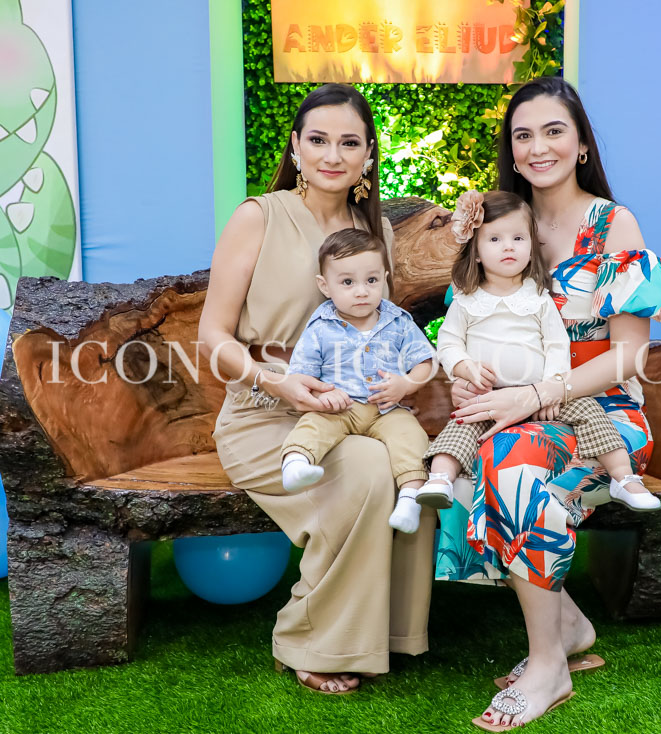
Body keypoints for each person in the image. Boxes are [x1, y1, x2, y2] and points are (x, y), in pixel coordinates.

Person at [435, 76, 661, 730]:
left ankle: (548, 665)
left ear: (581, 144)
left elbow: (630, 355)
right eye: (523, 135)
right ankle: (567, 625)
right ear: (511, 153)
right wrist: (465, 378)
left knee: (511, 467)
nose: (538, 146)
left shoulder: (613, 224)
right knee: (465, 466)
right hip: (512, 411)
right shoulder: (499, 225)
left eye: (553, 131)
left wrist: (539, 392)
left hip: (604, 420)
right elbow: (464, 328)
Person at [198, 84, 436, 695]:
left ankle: (386, 631)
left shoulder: (374, 230)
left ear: (369, 154)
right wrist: (277, 382)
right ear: (296, 146)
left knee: (407, 464)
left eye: (349, 142)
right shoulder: (259, 216)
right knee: (365, 469)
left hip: (354, 410)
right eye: (319, 140)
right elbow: (211, 338)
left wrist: (403, 381)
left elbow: (382, 326)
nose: (333, 155)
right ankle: (312, 637)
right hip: (263, 413)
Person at [419, 189, 659, 515]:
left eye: (518, 239)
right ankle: (440, 480)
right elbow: (448, 344)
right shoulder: (466, 300)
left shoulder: (538, 297)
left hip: (547, 398)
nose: (508, 246)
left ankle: (624, 479)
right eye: (495, 240)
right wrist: (464, 370)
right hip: (491, 396)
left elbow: (557, 344)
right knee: (460, 428)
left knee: (591, 415)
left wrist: (548, 389)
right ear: (475, 253)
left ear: (532, 248)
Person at [280, 227, 436, 535]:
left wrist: (405, 384)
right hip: (340, 407)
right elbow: (302, 374)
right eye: (348, 282)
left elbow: (425, 362)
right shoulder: (320, 326)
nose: (362, 291)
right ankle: (296, 464)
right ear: (325, 286)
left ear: (384, 279)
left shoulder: (398, 322)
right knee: (314, 424)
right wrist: (321, 395)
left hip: (386, 411)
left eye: (372, 280)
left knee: (411, 436)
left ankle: (409, 499)